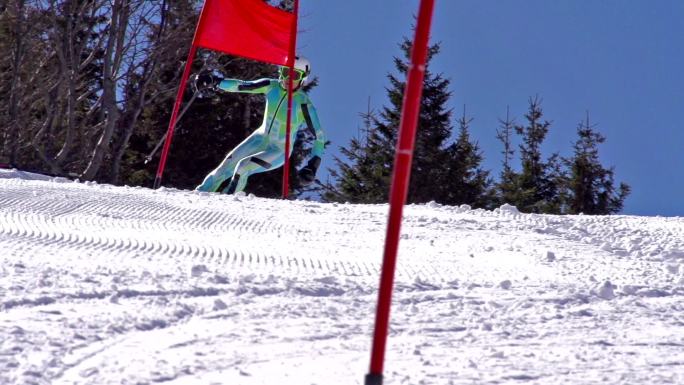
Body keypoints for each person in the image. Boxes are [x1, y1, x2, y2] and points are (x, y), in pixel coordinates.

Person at [194, 56, 325, 194]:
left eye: (294, 75)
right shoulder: (271, 86)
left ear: (303, 78)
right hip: (259, 138)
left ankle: (226, 200)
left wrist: (313, 166)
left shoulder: (303, 103)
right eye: (285, 72)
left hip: (279, 150)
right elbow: (242, 85)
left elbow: (319, 136)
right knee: (223, 169)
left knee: (242, 167)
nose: (288, 79)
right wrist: (216, 82)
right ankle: (199, 196)